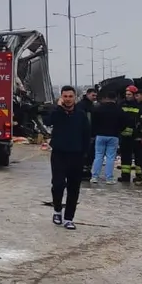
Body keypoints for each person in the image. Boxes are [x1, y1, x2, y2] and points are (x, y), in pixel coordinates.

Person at [44, 86, 92, 229]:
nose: (68, 99)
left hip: (76, 156)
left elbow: (87, 135)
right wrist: (57, 109)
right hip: (59, 154)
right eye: (65, 96)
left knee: (73, 188)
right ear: (61, 97)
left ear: (75, 98)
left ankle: (69, 218)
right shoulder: (57, 113)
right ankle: (57, 210)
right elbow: (47, 121)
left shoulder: (81, 115)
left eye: (70, 96)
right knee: (58, 185)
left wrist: (84, 154)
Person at [90, 91, 128, 184]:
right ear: (115, 99)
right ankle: (109, 178)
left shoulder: (98, 108)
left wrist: (94, 133)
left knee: (98, 156)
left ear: (106, 98)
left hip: (100, 135)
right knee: (110, 157)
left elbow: (93, 122)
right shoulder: (119, 109)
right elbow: (124, 122)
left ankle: (94, 177)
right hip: (113, 136)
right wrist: (119, 131)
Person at [117, 86, 141, 183]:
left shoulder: (138, 105)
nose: (127, 96)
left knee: (139, 157)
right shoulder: (121, 104)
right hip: (124, 135)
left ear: (135, 95)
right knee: (125, 157)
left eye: (129, 94)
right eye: (126, 94)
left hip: (136, 135)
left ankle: (139, 176)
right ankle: (125, 176)